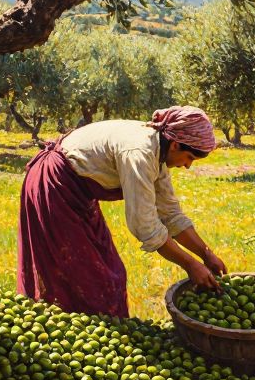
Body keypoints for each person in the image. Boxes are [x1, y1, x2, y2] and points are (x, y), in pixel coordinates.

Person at [16, 106, 227, 317]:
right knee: (88, 278)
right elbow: (146, 227)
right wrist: (190, 265)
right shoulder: (139, 153)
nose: (188, 166)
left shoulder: (158, 153)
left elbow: (171, 214)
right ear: (174, 145)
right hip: (55, 188)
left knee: (110, 273)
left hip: (78, 196)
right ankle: (63, 327)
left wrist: (206, 254)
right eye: (189, 158)